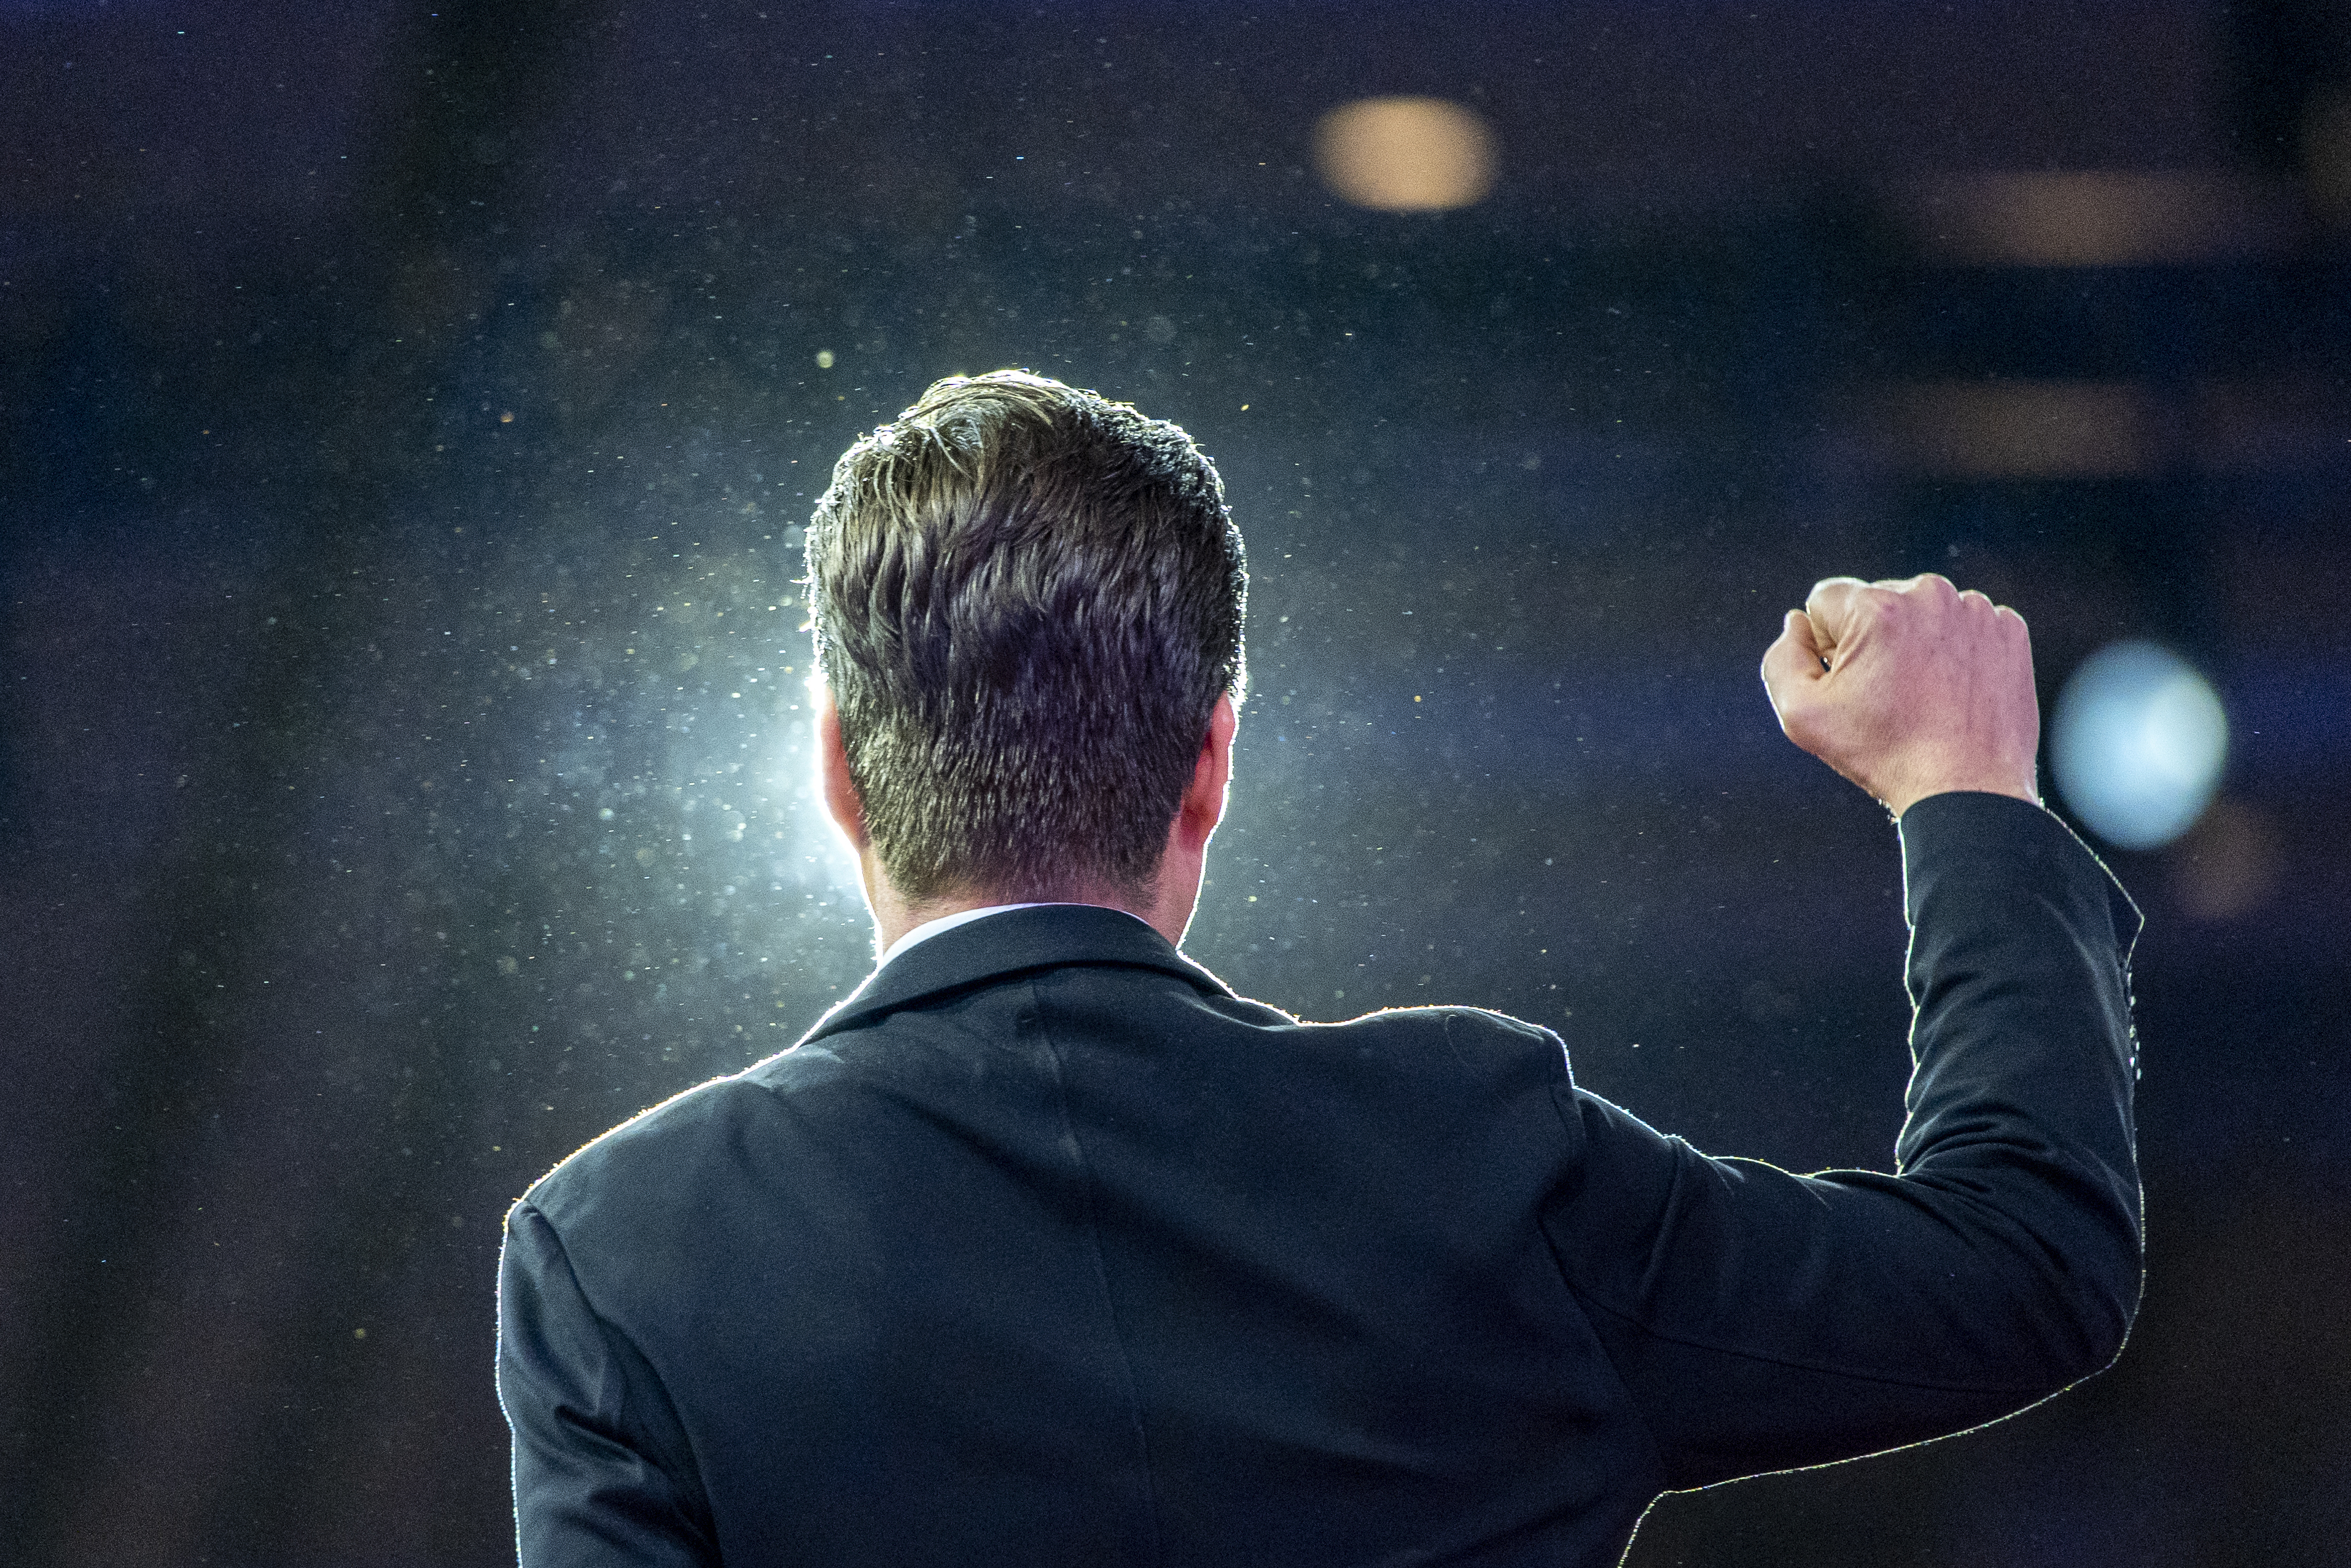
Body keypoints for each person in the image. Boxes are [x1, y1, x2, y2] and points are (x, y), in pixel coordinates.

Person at [497, 370, 2142, 1567]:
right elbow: (2025, 1264)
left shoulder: (620, 1257)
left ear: (839, 768)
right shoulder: (1477, 1156)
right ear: (1210, 761)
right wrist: (1964, 789)